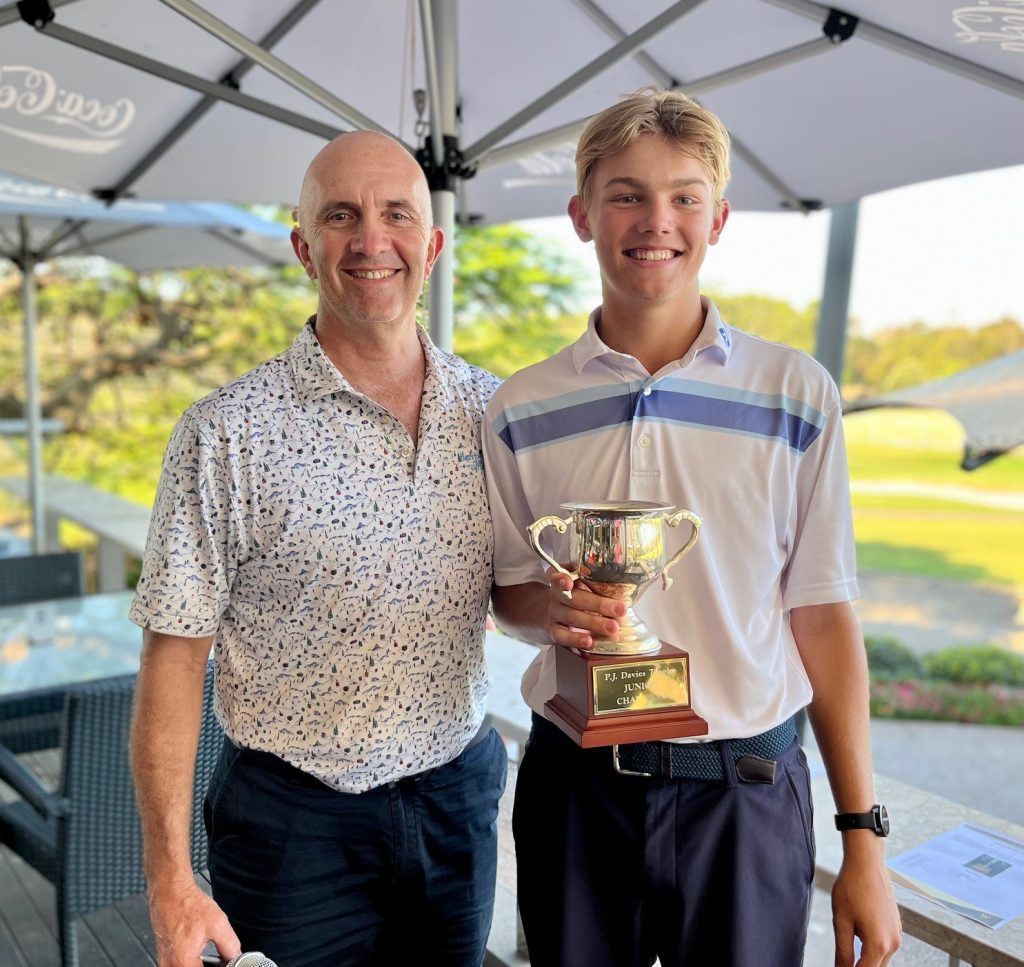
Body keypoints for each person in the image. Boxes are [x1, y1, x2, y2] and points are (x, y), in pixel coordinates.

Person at [482, 89, 902, 967]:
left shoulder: (796, 393)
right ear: (581, 215)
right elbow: (512, 593)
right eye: (626, 194)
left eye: (682, 195)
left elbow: (823, 618)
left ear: (719, 218)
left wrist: (863, 838)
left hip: (745, 799)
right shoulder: (521, 406)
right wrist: (551, 612)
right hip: (576, 795)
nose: (655, 220)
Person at [129, 131, 506, 967]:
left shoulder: (492, 412)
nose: (372, 241)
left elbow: (512, 593)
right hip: (290, 823)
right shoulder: (225, 431)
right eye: (341, 216)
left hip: (455, 797)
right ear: (304, 247)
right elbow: (172, 659)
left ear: (433, 245)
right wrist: (169, 877)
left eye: (396, 214)